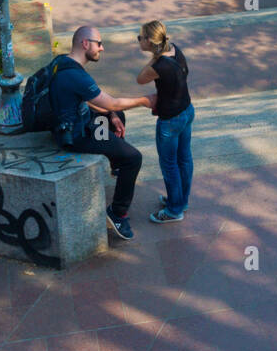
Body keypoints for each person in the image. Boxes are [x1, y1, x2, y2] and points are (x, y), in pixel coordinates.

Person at [50, 24, 155, 242]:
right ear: (85, 43)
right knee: (134, 158)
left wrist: (112, 114)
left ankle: (117, 163)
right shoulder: (76, 75)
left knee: (117, 116)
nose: (102, 48)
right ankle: (117, 213)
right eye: (99, 43)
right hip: (76, 136)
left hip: (77, 120)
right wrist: (146, 101)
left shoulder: (64, 62)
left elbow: (90, 100)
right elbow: (113, 101)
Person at [136, 20, 193, 223]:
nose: (138, 40)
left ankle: (174, 210)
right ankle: (181, 201)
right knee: (184, 158)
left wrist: (154, 58)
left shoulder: (159, 65)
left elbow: (140, 79)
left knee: (169, 164)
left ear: (150, 41)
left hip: (170, 120)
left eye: (140, 37)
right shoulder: (175, 50)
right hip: (187, 110)